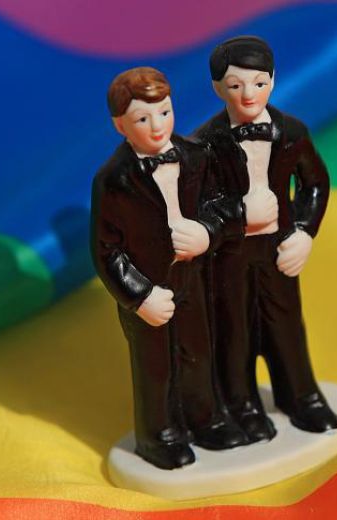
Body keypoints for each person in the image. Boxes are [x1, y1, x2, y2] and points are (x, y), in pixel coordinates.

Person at [90, 67, 246, 470]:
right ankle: (159, 435)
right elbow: (106, 250)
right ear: (120, 125)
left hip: (193, 276)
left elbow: (228, 207)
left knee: (198, 351)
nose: (158, 126)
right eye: (143, 119)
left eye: (164, 112)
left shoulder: (197, 156)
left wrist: (207, 232)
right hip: (150, 286)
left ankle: (206, 418)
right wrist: (140, 295)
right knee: (155, 366)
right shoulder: (114, 180)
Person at [194, 36, 337, 442]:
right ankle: (241, 404)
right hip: (229, 254)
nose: (249, 94)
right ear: (217, 88)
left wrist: (305, 231)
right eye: (236, 85)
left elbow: (315, 183)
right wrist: (237, 216)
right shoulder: (204, 144)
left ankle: (301, 396)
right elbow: (198, 205)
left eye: (259, 83)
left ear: (273, 80)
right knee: (234, 329)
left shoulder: (292, 132)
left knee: (286, 323)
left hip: (279, 247)